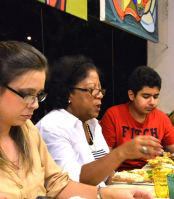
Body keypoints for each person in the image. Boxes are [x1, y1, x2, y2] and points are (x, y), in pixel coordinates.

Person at [0, 41, 155, 199]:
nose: (35, 105)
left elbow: (56, 183)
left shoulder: (28, 131)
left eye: (38, 95)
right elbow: (74, 179)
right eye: (26, 94)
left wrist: (109, 194)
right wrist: (121, 154)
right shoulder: (51, 125)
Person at [36, 56, 162, 187]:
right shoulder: (53, 126)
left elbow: (107, 176)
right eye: (92, 90)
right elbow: (71, 184)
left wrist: (132, 189)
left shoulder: (92, 124)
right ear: (69, 93)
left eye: (100, 89)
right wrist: (121, 153)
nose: (100, 95)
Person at [100, 66, 174, 171]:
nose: (152, 102)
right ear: (131, 95)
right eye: (146, 97)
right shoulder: (113, 115)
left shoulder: (161, 117)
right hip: (121, 177)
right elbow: (103, 159)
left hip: (153, 174)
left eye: (156, 97)